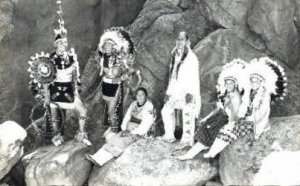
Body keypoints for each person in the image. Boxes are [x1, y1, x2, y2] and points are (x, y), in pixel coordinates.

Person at [28, 0, 90, 146]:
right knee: (55, 114)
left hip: (69, 90)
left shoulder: (72, 57)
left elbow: (76, 78)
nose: (62, 45)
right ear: (55, 44)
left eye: (64, 43)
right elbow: (44, 79)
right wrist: (46, 95)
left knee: (83, 110)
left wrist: (76, 92)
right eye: (59, 43)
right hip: (55, 91)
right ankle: (57, 136)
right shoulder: (50, 59)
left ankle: (81, 134)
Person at [202, 57, 287, 158]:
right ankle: (212, 152)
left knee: (233, 130)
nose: (254, 84)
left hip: (257, 123)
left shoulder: (264, 95)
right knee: (226, 128)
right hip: (247, 119)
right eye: (252, 81)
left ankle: (212, 153)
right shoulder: (248, 93)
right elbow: (243, 108)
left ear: (261, 82)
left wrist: (257, 131)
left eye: (257, 82)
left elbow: (263, 113)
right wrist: (240, 117)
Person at [177, 59, 248, 160]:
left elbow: (234, 115)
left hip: (226, 120)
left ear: (235, 84)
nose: (228, 85)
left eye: (231, 83)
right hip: (219, 116)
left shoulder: (236, 97)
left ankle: (190, 154)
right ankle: (198, 149)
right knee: (205, 126)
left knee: (210, 131)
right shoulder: (227, 94)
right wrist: (206, 117)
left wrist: (228, 127)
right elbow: (219, 108)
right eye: (226, 83)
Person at [86, 87, 156, 166]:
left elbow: (145, 126)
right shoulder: (134, 104)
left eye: (142, 94)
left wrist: (131, 132)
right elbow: (127, 117)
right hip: (129, 128)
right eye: (138, 94)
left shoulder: (149, 106)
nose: (140, 96)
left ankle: (100, 160)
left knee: (120, 142)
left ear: (146, 96)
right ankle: (96, 157)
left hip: (140, 132)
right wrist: (124, 129)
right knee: (113, 139)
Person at [159, 31, 201, 148]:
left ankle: (186, 141)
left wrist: (190, 93)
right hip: (175, 91)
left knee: (188, 113)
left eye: (182, 39)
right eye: (178, 39)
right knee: (166, 110)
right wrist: (168, 92)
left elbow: (194, 77)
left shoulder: (192, 58)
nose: (179, 42)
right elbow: (173, 77)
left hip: (188, 92)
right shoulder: (174, 56)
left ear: (187, 42)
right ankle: (169, 136)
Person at [96, 27, 141, 134]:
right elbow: (106, 72)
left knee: (112, 109)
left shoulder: (119, 59)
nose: (107, 47)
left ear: (114, 47)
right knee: (109, 110)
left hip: (116, 86)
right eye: (105, 45)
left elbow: (124, 72)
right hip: (106, 86)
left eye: (109, 45)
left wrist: (127, 74)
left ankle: (115, 130)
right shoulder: (103, 59)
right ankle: (113, 127)